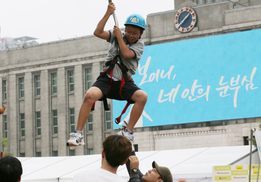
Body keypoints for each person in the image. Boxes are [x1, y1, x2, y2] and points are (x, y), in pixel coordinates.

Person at [67, 2, 147, 147]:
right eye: (128, 32)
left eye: (135, 33)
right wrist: (108, 13)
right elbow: (97, 32)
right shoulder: (118, 35)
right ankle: (78, 134)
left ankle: (128, 132)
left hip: (124, 81)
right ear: (125, 29)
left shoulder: (139, 44)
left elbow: (127, 54)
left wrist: (119, 37)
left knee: (142, 97)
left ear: (140, 34)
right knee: (89, 96)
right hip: (107, 79)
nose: (131, 36)